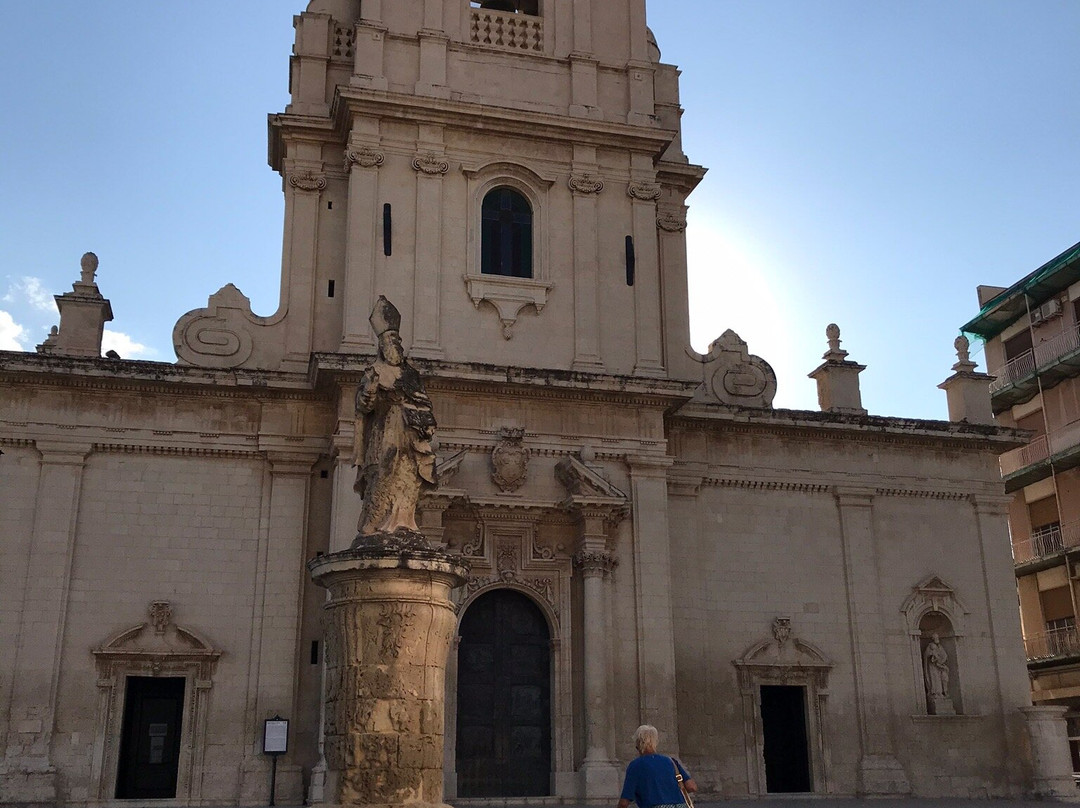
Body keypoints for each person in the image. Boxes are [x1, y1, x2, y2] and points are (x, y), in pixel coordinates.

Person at [353, 296, 437, 537]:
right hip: (383, 434)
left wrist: (425, 425)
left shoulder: (410, 374)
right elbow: (364, 405)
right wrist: (370, 390)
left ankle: (403, 522)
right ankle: (374, 523)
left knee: (408, 476)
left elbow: (423, 402)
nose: (396, 345)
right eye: (391, 340)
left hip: (409, 437)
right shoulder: (374, 372)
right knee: (382, 472)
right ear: (381, 346)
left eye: (398, 340)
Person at [617, 725, 697, 808]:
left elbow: (624, 802)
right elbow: (692, 787)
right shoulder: (671, 761)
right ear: (656, 742)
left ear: (637, 743)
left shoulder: (635, 766)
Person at [923, 633, 950, 698]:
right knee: (935, 679)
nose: (937, 639)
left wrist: (941, 660)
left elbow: (944, 655)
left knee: (943, 678)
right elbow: (926, 655)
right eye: (935, 638)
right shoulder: (930, 646)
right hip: (933, 667)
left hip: (940, 666)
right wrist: (932, 655)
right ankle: (936, 693)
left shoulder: (940, 646)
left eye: (937, 638)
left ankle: (943, 692)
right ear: (933, 639)